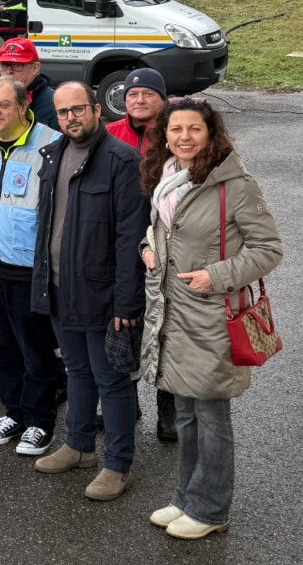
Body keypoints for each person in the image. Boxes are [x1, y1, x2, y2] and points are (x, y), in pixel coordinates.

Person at [138, 97, 283, 540]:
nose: (184, 137)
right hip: (171, 314)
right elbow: (161, 229)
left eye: (194, 130)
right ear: (165, 135)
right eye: (175, 129)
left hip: (213, 316)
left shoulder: (235, 184)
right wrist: (149, 249)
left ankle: (212, 508)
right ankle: (186, 497)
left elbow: (268, 248)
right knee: (185, 414)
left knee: (212, 417)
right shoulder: (165, 177)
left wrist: (215, 275)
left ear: (210, 133)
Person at [31, 82, 148, 501]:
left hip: (103, 295)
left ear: (96, 109)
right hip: (61, 287)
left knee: (112, 379)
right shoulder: (55, 154)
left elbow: (130, 240)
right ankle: (79, 446)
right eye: (62, 113)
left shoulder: (121, 160)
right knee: (77, 371)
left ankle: (118, 466)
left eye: (78, 110)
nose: (70, 119)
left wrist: (127, 302)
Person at [0, 78, 60, 456]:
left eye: (3, 106)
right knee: (2, 344)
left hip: (28, 267)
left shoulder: (50, 144)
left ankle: (40, 421)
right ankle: (14, 411)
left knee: (35, 348)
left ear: (24, 106)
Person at [105, 67, 177, 441]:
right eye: (133, 95)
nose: (139, 100)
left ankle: (169, 411)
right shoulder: (110, 133)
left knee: (165, 329)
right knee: (124, 324)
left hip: (165, 243)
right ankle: (124, 403)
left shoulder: (174, 134)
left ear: (162, 99)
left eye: (148, 94)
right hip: (120, 241)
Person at [0, 38, 58, 131]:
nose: (8, 71)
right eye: (4, 65)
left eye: (17, 65)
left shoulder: (55, 104)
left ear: (35, 68)